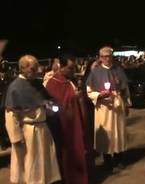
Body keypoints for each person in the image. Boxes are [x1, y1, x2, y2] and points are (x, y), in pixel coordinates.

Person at [5, 55, 61, 184]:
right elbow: (11, 116)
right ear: (22, 68)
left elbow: (46, 100)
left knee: (45, 164)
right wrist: (16, 138)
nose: (35, 72)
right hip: (28, 132)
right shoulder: (15, 87)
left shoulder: (37, 83)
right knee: (31, 165)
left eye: (36, 69)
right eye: (32, 69)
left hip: (43, 129)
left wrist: (49, 105)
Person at [45, 54, 90, 184]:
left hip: (77, 122)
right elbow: (53, 105)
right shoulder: (53, 83)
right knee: (66, 154)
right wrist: (73, 97)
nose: (73, 71)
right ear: (61, 67)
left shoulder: (71, 80)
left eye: (74, 68)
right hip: (64, 126)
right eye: (70, 68)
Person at [86, 46, 131, 170]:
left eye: (109, 56)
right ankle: (107, 160)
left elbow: (125, 89)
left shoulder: (118, 70)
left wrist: (127, 102)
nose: (107, 59)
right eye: (105, 56)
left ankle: (119, 158)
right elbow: (89, 91)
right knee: (107, 132)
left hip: (117, 105)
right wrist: (100, 95)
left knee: (119, 131)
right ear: (100, 58)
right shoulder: (95, 72)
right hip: (104, 107)